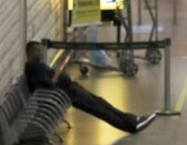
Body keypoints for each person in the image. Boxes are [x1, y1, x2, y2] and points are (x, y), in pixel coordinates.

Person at [24, 41, 157, 133]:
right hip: (67, 94)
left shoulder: (37, 65)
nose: (40, 52)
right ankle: (131, 125)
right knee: (99, 108)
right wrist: (58, 73)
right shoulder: (35, 68)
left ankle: (133, 120)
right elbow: (49, 86)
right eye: (37, 50)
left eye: (40, 49)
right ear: (30, 52)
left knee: (101, 103)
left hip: (70, 89)